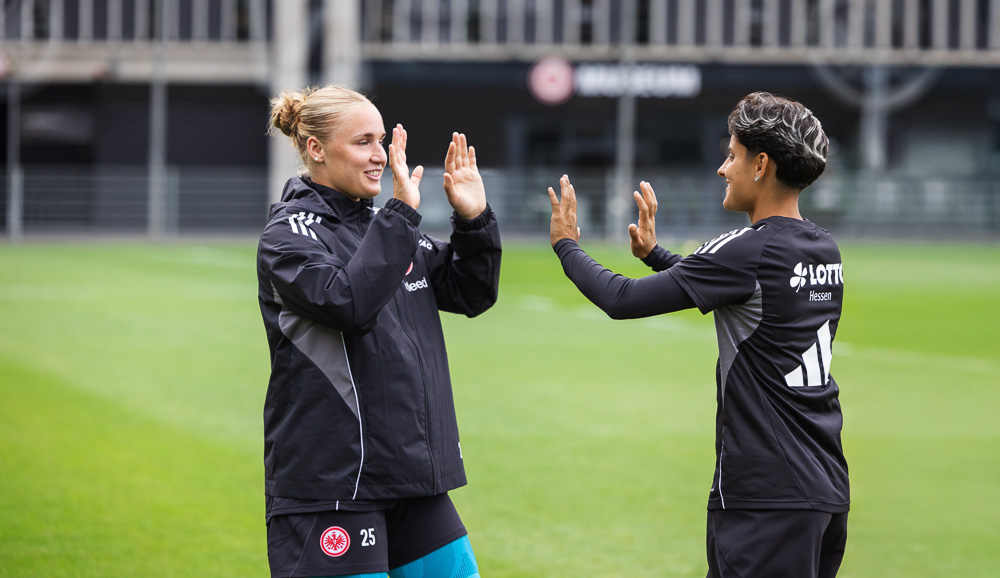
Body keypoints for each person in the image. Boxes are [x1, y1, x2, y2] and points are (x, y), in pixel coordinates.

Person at [547, 92, 849, 577]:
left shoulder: (748, 248)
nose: (722, 169)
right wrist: (656, 256)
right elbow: (739, 288)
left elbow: (622, 299)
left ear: (761, 165)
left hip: (766, 496)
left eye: (732, 155)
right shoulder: (822, 247)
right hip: (824, 487)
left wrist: (566, 245)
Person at [257, 84, 501, 578]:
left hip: (410, 477)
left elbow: (470, 292)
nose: (380, 156)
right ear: (316, 149)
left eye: (381, 140)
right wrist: (400, 216)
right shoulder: (290, 235)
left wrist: (473, 219)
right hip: (333, 485)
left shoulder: (385, 227)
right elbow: (348, 302)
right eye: (363, 141)